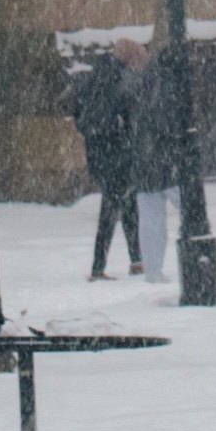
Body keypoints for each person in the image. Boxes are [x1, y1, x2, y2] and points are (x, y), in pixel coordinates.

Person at [72, 40, 141, 280]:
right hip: (116, 153)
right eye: (136, 58)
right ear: (128, 57)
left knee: (128, 202)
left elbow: (81, 114)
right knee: (112, 209)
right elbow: (129, 115)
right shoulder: (119, 78)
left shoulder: (97, 75)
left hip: (101, 153)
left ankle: (137, 260)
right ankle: (99, 267)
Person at [128, 43, 178, 283]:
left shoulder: (141, 83)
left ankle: (152, 271)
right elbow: (165, 121)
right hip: (166, 160)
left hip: (145, 161)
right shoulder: (168, 86)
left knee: (150, 219)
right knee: (188, 207)